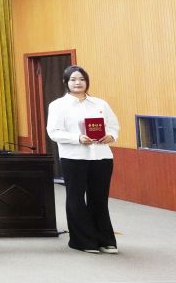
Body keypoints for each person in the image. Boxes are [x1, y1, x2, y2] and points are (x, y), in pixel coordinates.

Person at [46, 65, 120, 254]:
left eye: (81, 79)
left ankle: (104, 240)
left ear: (87, 82)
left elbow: (113, 126)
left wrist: (111, 136)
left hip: (101, 156)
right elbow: (53, 132)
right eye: (73, 79)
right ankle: (82, 241)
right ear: (66, 82)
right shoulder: (58, 105)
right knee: (76, 197)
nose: (78, 83)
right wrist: (77, 138)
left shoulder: (100, 104)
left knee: (99, 198)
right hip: (74, 157)